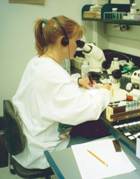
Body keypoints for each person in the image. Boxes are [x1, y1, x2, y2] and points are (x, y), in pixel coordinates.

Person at [12, 15, 111, 169]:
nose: (78, 47)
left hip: (31, 139)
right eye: (76, 41)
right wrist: (105, 92)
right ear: (63, 41)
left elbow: (49, 86)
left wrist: (77, 81)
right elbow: (88, 109)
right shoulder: (53, 73)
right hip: (45, 151)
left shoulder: (37, 62)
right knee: (108, 138)